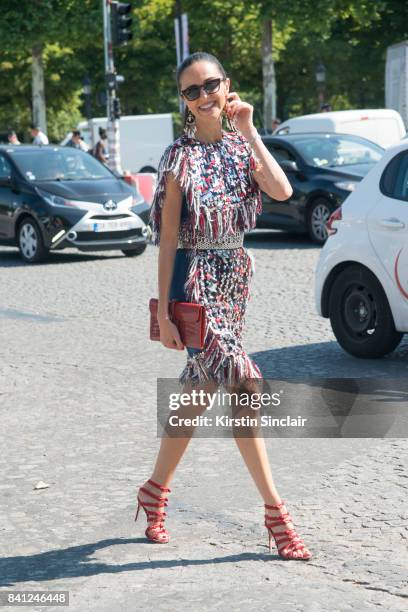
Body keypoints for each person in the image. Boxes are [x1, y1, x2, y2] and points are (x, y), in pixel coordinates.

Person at [137, 52, 312, 560]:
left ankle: (154, 491)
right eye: (191, 91)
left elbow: (281, 189)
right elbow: (167, 239)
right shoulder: (178, 158)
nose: (203, 96)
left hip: (234, 278)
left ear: (225, 85)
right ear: (184, 103)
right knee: (244, 380)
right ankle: (277, 516)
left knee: (198, 389)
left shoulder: (241, 148)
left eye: (209, 85)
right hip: (194, 281)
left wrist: (251, 130)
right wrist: (167, 311)